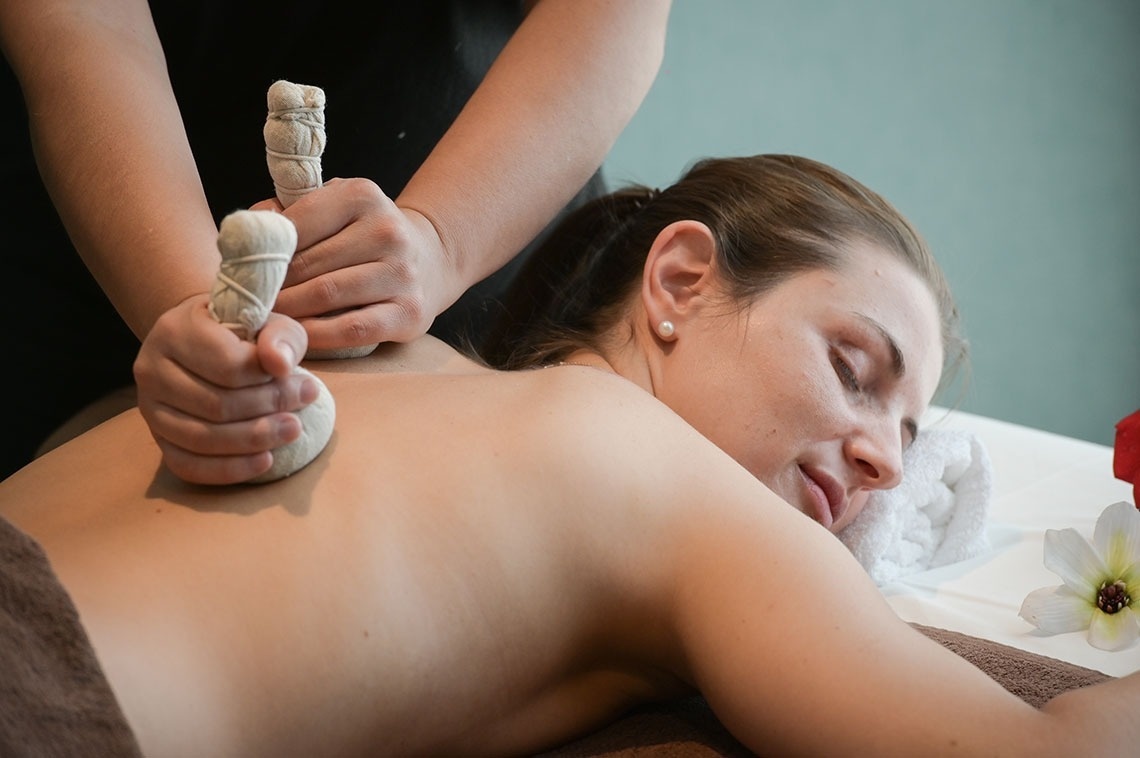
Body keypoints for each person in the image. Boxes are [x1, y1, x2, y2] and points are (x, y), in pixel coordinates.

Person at [2, 155, 1135, 757]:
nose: (885, 463)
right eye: (853, 367)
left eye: (907, 434)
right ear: (679, 280)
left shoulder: (382, 356)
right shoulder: (673, 485)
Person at [0, 0, 671, 480]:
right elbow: (81, 21)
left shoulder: (586, 425)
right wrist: (194, 312)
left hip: (498, 224)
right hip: (113, 242)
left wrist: (443, 240)